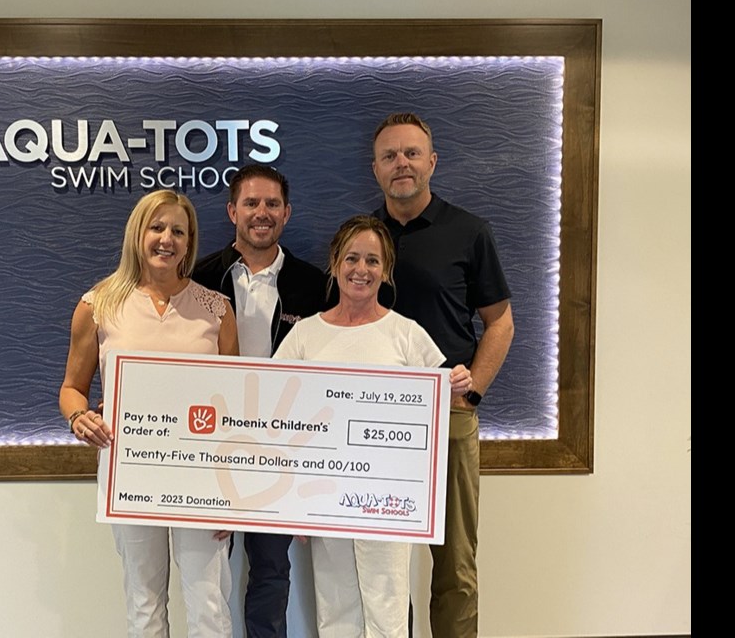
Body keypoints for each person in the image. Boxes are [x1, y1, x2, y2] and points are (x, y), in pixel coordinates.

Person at [273, 215, 473, 638]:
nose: (360, 270)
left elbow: (440, 400)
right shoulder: (305, 336)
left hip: (389, 499)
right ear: (334, 262)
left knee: (387, 606)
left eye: (372, 261)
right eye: (351, 258)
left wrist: (458, 384)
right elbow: (278, 418)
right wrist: (292, 503)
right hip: (323, 496)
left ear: (386, 270)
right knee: (336, 608)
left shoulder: (406, 334)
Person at [59, 189, 239, 638]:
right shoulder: (97, 305)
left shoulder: (217, 310)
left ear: (190, 240)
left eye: (178, 230)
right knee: (143, 602)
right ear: (137, 234)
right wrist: (79, 417)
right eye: (157, 227)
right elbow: (71, 389)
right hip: (130, 472)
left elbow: (236, 408)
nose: (166, 239)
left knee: (209, 604)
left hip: (204, 478)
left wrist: (232, 493)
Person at [370, 113, 515, 638]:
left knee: (454, 567)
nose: (401, 164)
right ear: (376, 169)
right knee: (384, 566)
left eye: (411, 153)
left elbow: (500, 322)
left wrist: (471, 392)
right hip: (375, 424)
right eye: (389, 156)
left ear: (432, 162)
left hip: (448, 420)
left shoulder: (469, 231)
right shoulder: (362, 239)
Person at [193, 164, 328, 638]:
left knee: (272, 569)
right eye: (251, 203)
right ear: (232, 211)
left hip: (282, 448)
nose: (261, 213)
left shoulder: (316, 286)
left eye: (272, 204)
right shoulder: (199, 279)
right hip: (213, 447)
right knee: (207, 572)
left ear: (287, 213)